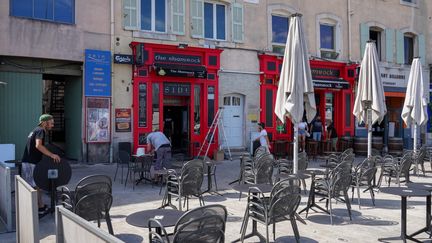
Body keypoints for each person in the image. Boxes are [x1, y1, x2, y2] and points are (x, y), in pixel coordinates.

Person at [21, 114, 61, 214]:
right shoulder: (40, 130)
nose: (52, 125)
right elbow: (38, 145)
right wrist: (52, 155)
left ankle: (40, 206)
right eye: (51, 123)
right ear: (44, 123)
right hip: (31, 163)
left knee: (37, 185)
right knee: (33, 187)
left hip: (30, 161)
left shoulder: (35, 130)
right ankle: (33, 210)